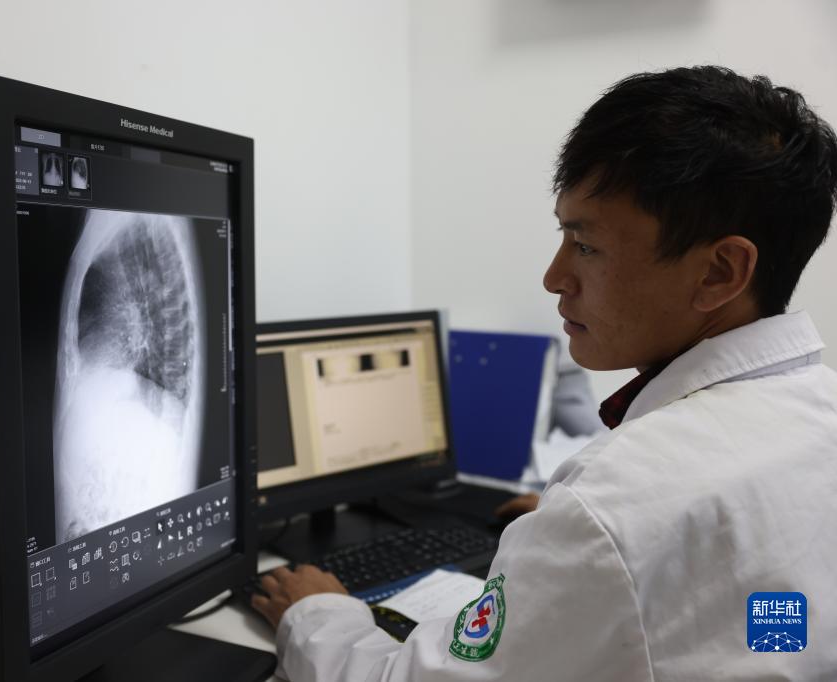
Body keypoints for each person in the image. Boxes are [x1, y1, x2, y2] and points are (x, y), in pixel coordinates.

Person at [251, 66, 837, 681]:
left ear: (719, 272)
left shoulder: (614, 505)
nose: (554, 278)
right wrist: (574, 539)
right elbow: (773, 611)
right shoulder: (819, 413)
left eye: (585, 246)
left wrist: (316, 613)